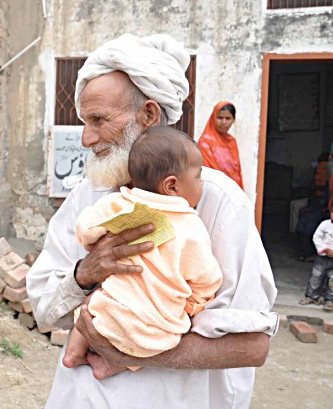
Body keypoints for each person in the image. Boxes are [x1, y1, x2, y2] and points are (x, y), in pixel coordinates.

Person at [27, 33, 278, 408]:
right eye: (84, 121)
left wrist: (132, 352)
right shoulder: (90, 195)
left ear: (148, 115)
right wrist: (84, 274)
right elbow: (43, 308)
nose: (86, 138)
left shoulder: (219, 202)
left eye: (98, 120)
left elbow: (252, 346)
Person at [63, 126, 223, 375]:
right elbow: (207, 279)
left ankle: (74, 353)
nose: (202, 183)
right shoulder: (192, 227)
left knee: (90, 304)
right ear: (172, 186)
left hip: (110, 313)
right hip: (157, 331)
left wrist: (93, 242)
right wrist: (191, 308)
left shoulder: (120, 203)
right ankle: (111, 366)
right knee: (137, 352)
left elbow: (85, 228)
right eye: (197, 177)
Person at [198, 101, 244, 189]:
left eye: (228, 118)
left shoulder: (232, 142)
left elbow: (237, 172)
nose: (223, 122)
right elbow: (206, 172)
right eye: (220, 118)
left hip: (232, 190)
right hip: (213, 190)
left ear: (233, 120)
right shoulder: (205, 142)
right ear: (213, 118)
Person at [299, 213, 333, 311]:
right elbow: (316, 237)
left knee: (332, 280)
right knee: (316, 276)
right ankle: (312, 297)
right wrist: (325, 249)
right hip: (322, 257)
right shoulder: (325, 224)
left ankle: (330, 300)